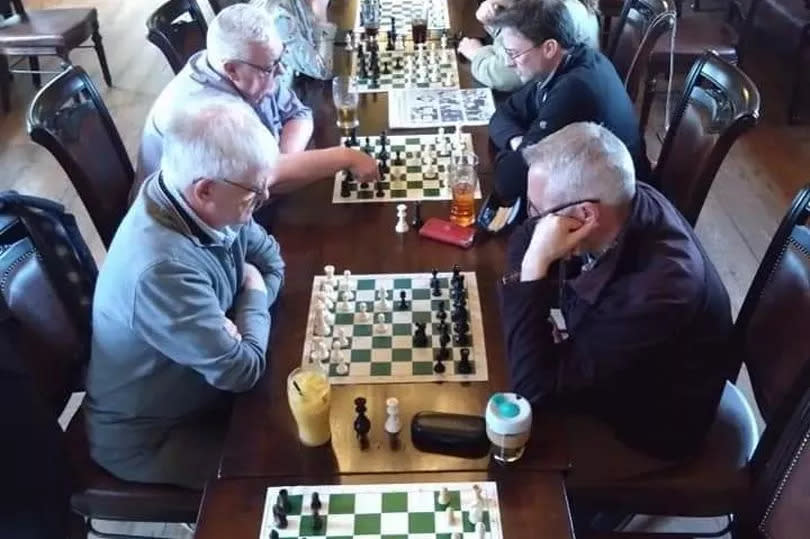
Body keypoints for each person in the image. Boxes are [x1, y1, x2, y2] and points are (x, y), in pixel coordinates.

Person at [500, 123, 734, 466]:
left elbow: (533, 389)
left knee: (504, 438)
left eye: (538, 212)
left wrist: (536, 267)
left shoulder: (656, 291)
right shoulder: (620, 196)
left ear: (585, 215)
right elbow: (524, 238)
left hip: (649, 427)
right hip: (617, 367)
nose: (533, 222)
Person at [86, 99, 286, 489]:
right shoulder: (160, 269)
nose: (259, 202)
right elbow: (241, 370)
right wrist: (254, 294)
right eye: (253, 195)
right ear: (206, 189)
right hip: (155, 436)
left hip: (202, 390)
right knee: (286, 472)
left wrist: (243, 313)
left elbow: (272, 262)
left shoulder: (201, 202)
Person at [134, 4, 376, 200]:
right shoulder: (208, 115)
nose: (281, 71)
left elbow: (299, 113)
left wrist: (282, 162)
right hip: (194, 236)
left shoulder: (245, 69)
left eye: (280, 59)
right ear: (232, 70)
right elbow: (261, 179)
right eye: (271, 67)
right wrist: (346, 156)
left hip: (242, 205)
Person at [487, 0, 650, 203]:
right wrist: (518, 143)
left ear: (549, 48)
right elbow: (503, 114)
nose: (509, 63)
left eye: (514, 54)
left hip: (620, 210)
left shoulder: (575, 90)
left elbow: (509, 182)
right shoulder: (566, 61)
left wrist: (517, 153)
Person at [458, 0, 600, 93]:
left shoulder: (549, 10)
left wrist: (476, 54)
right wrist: (495, 19)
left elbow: (504, 75)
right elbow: (516, 46)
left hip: (556, 99)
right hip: (548, 90)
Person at [250, 0, 335, 84]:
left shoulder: (299, 4)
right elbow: (324, 70)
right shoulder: (279, 18)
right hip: (285, 93)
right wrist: (323, 19)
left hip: (308, 86)